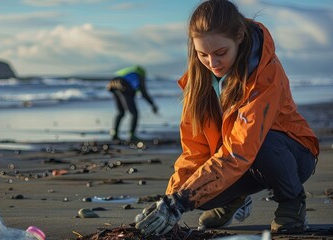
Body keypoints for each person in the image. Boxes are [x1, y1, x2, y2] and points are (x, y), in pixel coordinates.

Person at [134, 0, 319, 236]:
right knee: (196, 194)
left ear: (239, 36)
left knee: (263, 145)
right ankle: (234, 200)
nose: (212, 63)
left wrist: (179, 202)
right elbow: (194, 151)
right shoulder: (198, 82)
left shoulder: (265, 74)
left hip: (291, 154)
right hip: (239, 159)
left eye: (221, 53)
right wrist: (171, 200)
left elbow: (240, 149)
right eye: (203, 54)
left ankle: (292, 202)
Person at [107, 65, 158, 142]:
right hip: (123, 85)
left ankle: (114, 134)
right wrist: (152, 104)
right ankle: (132, 135)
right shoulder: (139, 75)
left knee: (121, 112)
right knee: (134, 113)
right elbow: (143, 92)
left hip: (112, 84)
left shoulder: (127, 72)